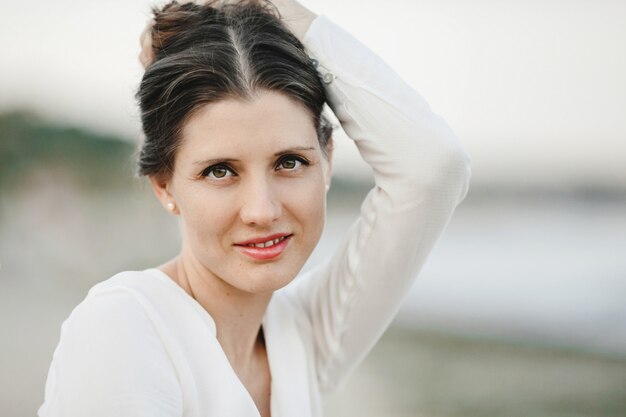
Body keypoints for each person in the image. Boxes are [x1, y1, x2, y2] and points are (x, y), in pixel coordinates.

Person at [38, 0, 471, 416]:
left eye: (289, 162)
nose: (262, 211)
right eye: (220, 171)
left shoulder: (300, 336)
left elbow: (434, 167)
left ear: (327, 162)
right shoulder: (126, 327)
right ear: (164, 184)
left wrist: (279, 10)